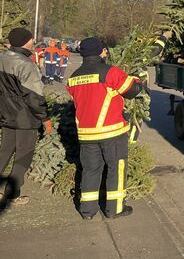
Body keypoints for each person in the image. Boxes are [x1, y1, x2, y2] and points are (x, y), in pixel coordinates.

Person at [66, 37, 143, 220]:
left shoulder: (74, 77)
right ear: (101, 51)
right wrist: (137, 79)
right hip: (112, 132)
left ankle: (87, 211)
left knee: (90, 170)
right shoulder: (110, 72)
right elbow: (132, 91)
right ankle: (115, 209)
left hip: (86, 134)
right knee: (116, 169)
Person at [0, 28, 52, 207]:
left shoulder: (2, 58)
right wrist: (45, 118)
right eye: (31, 39)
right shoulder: (26, 65)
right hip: (25, 119)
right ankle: (12, 194)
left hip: (6, 115)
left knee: (4, 152)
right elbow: (34, 97)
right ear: (24, 42)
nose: (33, 41)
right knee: (23, 156)